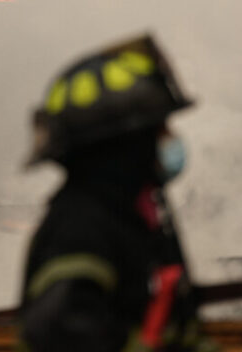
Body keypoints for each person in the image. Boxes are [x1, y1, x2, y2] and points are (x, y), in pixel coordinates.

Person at [19, 34, 216, 352]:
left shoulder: (126, 215)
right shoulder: (82, 226)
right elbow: (61, 335)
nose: (169, 138)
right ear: (128, 144)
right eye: (159, 128)